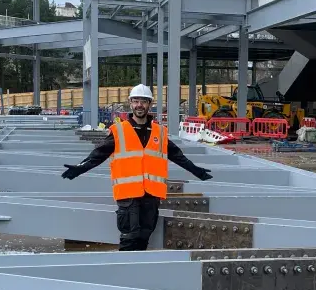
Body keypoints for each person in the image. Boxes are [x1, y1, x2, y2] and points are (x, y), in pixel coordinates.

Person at [61, 84, 213, 251]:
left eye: (143, 101)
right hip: (128, 194)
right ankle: (125, 273)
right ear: (130, 104)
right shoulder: (119, 131)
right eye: (136, 101)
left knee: (144, 236)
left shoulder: (159, 132)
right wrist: (79, 168)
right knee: (130, 237)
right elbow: (98, 155)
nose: (139, 105)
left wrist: (196, 170)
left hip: (151, 194)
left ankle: (138, 272)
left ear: (149, 104)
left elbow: (178, 156)